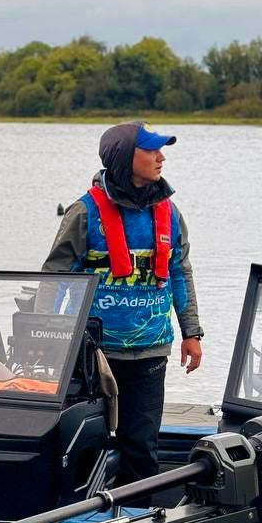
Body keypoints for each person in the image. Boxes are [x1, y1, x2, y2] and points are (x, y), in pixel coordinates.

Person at [42, 122, 203, 484]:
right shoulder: (83, 213)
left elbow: (180, 272)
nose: (161, 158)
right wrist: (48, 342)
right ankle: (82, 513)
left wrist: (192, 333)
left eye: (161, 151)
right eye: (151, 150)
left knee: (142, 448)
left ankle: (139, 513)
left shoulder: (170, 213)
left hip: (150, 351)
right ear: (125, 157)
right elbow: (54, 279)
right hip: (92, 355)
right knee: (84, 444)